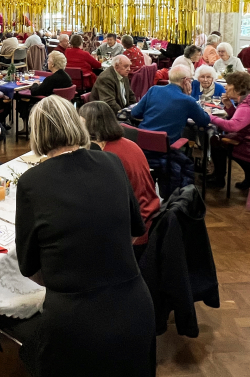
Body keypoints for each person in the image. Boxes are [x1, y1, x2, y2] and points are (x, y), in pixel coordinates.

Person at [15, 95, 155, 376]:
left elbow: (29, 269)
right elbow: (132, 234)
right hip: (134, 306)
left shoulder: (31, 181)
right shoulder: (111, 162)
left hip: (74, 318)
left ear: (38, 134)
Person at [79, 100, 160, 253]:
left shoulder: (106, 157)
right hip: (150, 215)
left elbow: (97, 201)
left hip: (133, 231)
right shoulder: (129, 144)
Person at [130, 64, 210, 144]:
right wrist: (207, 112)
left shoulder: (153, 90)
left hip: (141, 144)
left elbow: (135, 113)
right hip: (165, 148)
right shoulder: (188, 101)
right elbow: (204, 121)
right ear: (186, 80)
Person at [15, 50, 72, 125]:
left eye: (48, 61)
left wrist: (35, 84)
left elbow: (35, 92)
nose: (47, 62)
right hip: (62, 106)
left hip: (48, 106)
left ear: (53, 64)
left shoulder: (51, 79)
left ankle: (27, 127)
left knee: (22, 100)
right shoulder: (67, 77)